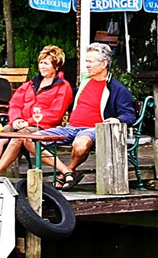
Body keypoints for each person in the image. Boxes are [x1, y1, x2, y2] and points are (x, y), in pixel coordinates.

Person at [38, 42, 139, 189]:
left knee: (80, 144)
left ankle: (68, 171)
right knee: (31, 139)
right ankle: (66, 172)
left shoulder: (117, 89)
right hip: (70, 128)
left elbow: (129, 115)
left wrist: (117, 119)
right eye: (86, 61)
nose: (87, 65)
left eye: (90, 61)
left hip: (92, 130)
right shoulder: (85, 83)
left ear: (103, 64)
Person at [0, 45, 73, 178]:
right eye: (41, 63)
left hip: (43, 126)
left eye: (46, 63)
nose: (42, 66)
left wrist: (28, 122)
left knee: (19, 137)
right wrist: (16, 120)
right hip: (22, 123)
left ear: (56, 66)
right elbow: (15, 103)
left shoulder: (63, 87)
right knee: (0, 136)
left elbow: (55, 114)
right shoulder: (30, 84)